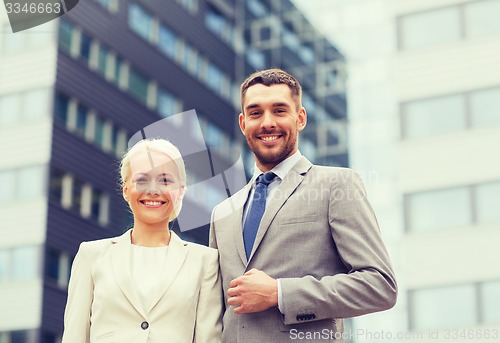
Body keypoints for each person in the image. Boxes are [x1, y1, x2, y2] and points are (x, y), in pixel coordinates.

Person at [209, 69, 397, 342]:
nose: (267, 123)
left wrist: (280, 293)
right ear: (243, 123)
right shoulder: (222, 213)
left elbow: (380, 286)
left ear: (300, 118)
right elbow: (215, 313)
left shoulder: (336, 185)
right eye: (256, 113)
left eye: (279, 110)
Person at [62, 138, 222, 343]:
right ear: (126, 189)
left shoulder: (205, 261)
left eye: (165, 180)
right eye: (142, 180)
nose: (153, 190)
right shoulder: (91, 256)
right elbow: (74, 336)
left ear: (180, 191)